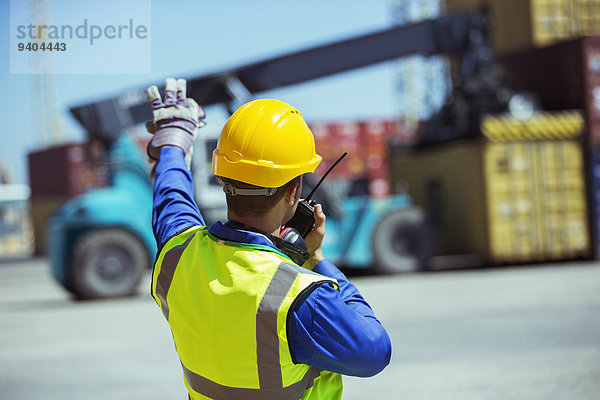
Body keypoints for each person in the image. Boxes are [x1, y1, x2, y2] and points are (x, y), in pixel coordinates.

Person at [147, 78, 391, 400]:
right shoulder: (300, 297)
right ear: (293, 191)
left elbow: (171, 197)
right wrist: (316, 260)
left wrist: (172, 146)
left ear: (221, 177)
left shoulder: (178, 255)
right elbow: (375, 351)